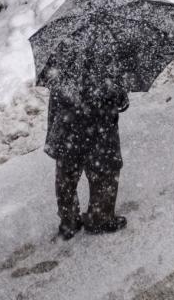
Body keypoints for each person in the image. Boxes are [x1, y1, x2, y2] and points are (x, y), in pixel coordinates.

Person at [44, 79, 130, 240]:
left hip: (67, 129)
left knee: (66, 176)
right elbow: (121, 102)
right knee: (106, 171)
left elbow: (54, 104)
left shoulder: (63, 67)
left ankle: (68, 221)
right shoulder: (106, 66)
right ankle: (100, 217)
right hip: (99, 129)